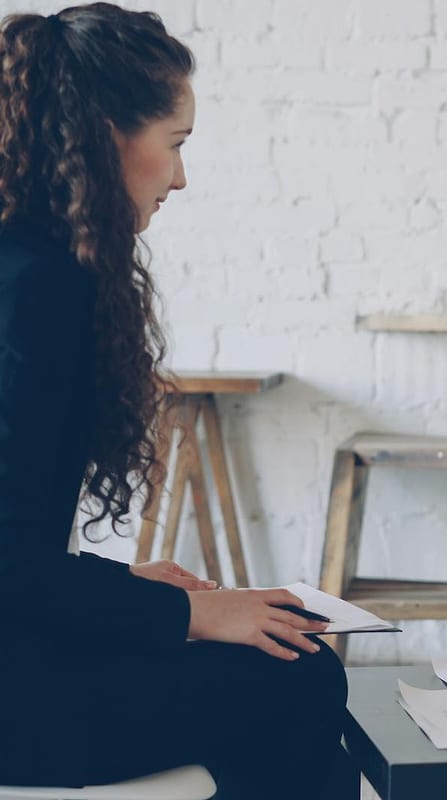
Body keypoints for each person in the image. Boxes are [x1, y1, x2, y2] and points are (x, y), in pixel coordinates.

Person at [0, 5, 356, 797]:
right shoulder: (39, 291)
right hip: (12, 697)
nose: (182, 177)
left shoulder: (25, 264)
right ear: (102, 135)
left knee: (286, 680)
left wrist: (134, 590)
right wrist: (191, 615)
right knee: (295, 678)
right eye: (177, 145)